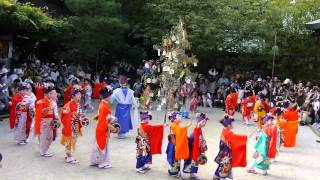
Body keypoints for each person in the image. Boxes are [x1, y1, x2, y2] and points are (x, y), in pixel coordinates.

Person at [60, 87, 89, 164]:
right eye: (78, 94)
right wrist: (71, 114)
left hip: (75, 125)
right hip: (70, 125)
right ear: (73, 96)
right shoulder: (69, 104)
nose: (80, 95)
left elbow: (79, 113)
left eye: (80, 94)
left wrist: (82, 116)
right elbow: (64, 112)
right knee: (69, 140)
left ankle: (68, 155)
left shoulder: (77, 104)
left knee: (73, 140)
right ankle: (69, 157)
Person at [90, 86, 114, 169]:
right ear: (107, 96)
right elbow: (105, 119)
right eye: (110, 96)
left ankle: (95, 161)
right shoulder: (104, 106)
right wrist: (111, 126)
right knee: (102, 145)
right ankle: (102, 162)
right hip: (103, 128)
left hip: (100, 127)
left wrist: (99, 117)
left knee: (98, 144)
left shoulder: (102, 103)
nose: (111, 97)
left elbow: (102, 115)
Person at [181, 113, 208, 180]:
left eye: (205, 122)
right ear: (200, 122)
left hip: (196, 151)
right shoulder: (195, 130)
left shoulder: (199, 130)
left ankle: (192, 174)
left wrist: (203, 145)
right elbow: (197, 128)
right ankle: (183, 174)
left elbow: (201, 139)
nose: (205, 123)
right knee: (189, 162)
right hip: (192, 151)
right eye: (204, 121)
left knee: (195, 163)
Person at [34, 84, 59, 157]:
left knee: (50, 136)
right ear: (47, 94)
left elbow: (56, 112)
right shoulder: (41, 102)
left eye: (55, 93)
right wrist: (43, 111)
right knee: (44, 136)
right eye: (52, 93)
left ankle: (43, 148)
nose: (54, 94)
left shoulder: (53, 102)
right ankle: (43, 151)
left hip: (51, 121)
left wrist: (57, 119)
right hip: (44, 122)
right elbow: (38, 113)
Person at [166, 112, 191, 178]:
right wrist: (187, 126)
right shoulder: (174, 125)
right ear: (174, 119)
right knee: (176, 158)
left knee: (177, 158)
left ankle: (174, 171)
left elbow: (180, 132)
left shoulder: (175, 124)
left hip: (175, 143)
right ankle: (174, 171)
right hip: (175, 144)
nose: (180, 117)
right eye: (178, 116)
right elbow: (180, 131)